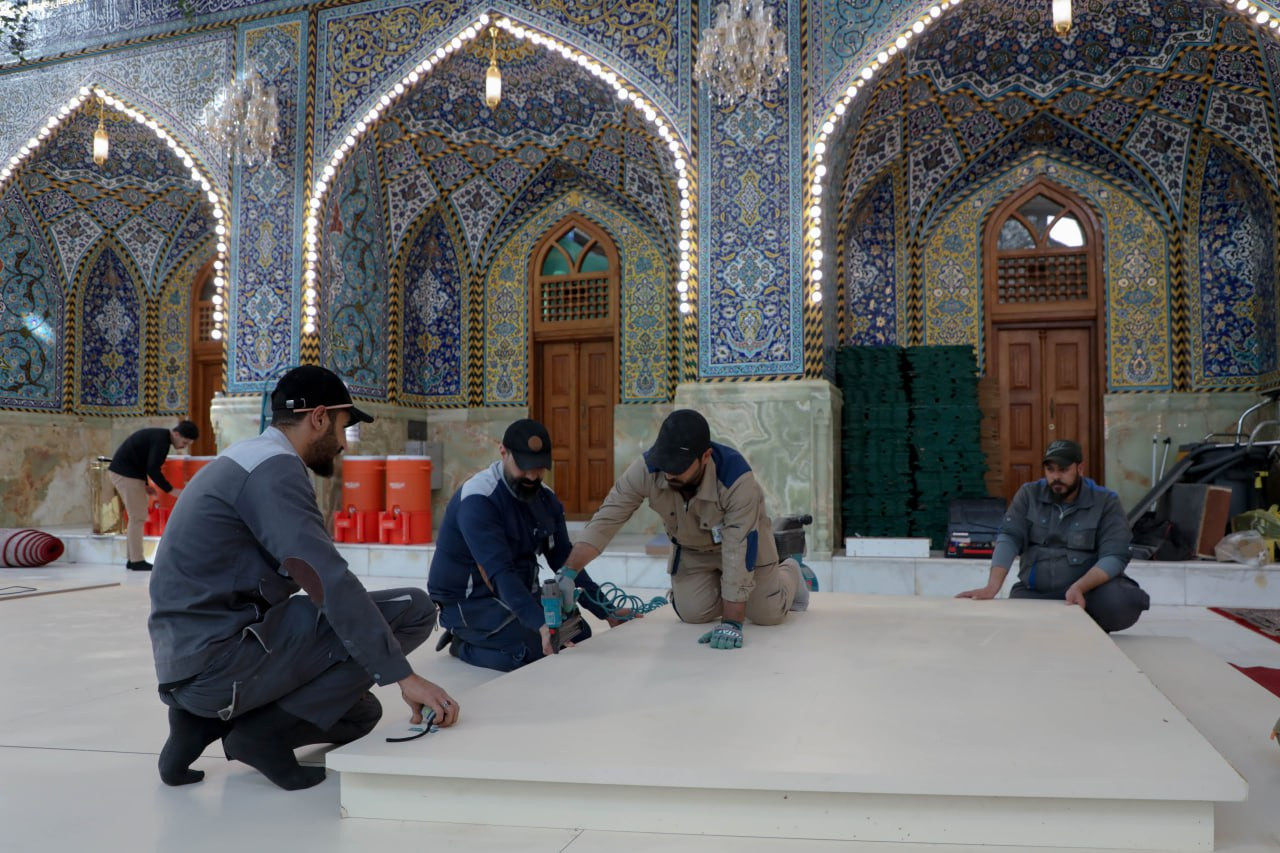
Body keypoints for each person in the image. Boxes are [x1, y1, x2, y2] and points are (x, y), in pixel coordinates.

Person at [147, 365, 458, 791]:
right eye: (343, 427)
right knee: (413, 609)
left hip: (186, 664)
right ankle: (262, 735)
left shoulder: (247, 457)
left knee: (359, 714)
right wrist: (403, 675)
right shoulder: (274, 470)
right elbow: (327, 581)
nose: (342, 444)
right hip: (218, 660)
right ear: (319, 417)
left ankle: (198, 724)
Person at [563, 409, 807, 650]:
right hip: (693, 551)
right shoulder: (647, 469)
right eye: (665, 463)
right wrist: (568, 572)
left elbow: (739, 548)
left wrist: (732, 622)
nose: (669, 473)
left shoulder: (736, 478)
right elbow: (606, 520)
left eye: (678, 466)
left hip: (743, 546)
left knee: (767, 614)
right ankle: (726, 589)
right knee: (693, 614)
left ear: (705, 456)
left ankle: (790, 570)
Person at [428, 418, 618, 672]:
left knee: (577, 633)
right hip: (471, 601)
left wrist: (607, 610)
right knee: (534, 651)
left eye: (538, 468)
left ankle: (495, 634)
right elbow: (499, 572)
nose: (531, 475)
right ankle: (462, 644)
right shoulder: (479, 500)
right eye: (524, 466)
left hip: (515, 593)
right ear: (503, 453)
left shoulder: (545, 499)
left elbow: (565, 560)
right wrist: (540, 624)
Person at [956, 438, 1150, 632]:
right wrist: (992, 586)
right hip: (1037, 592)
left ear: (1080, 469)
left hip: (1088, 592)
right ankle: (1067, 623)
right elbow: (1009, 536)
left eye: (1063, 470)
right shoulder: (1029, 494)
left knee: (1121, 602)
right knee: (1016, 622)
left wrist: (1080, 587)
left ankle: (1079, 620)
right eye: (1050, 470)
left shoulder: (1106, 501)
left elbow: (1115, 555)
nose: (1056, 477)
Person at [108, 420, 198, 571]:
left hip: (128, 473)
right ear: (176, 434)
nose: (184, 446)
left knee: (137, 517)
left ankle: (132, 559)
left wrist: (144, 484)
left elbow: (141, 460)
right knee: (137, 517)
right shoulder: (161, 441)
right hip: (125, 474)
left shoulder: (160, 437)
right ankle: (137, 561)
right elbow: (153, 469)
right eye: (184, 442)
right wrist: (171, 490)